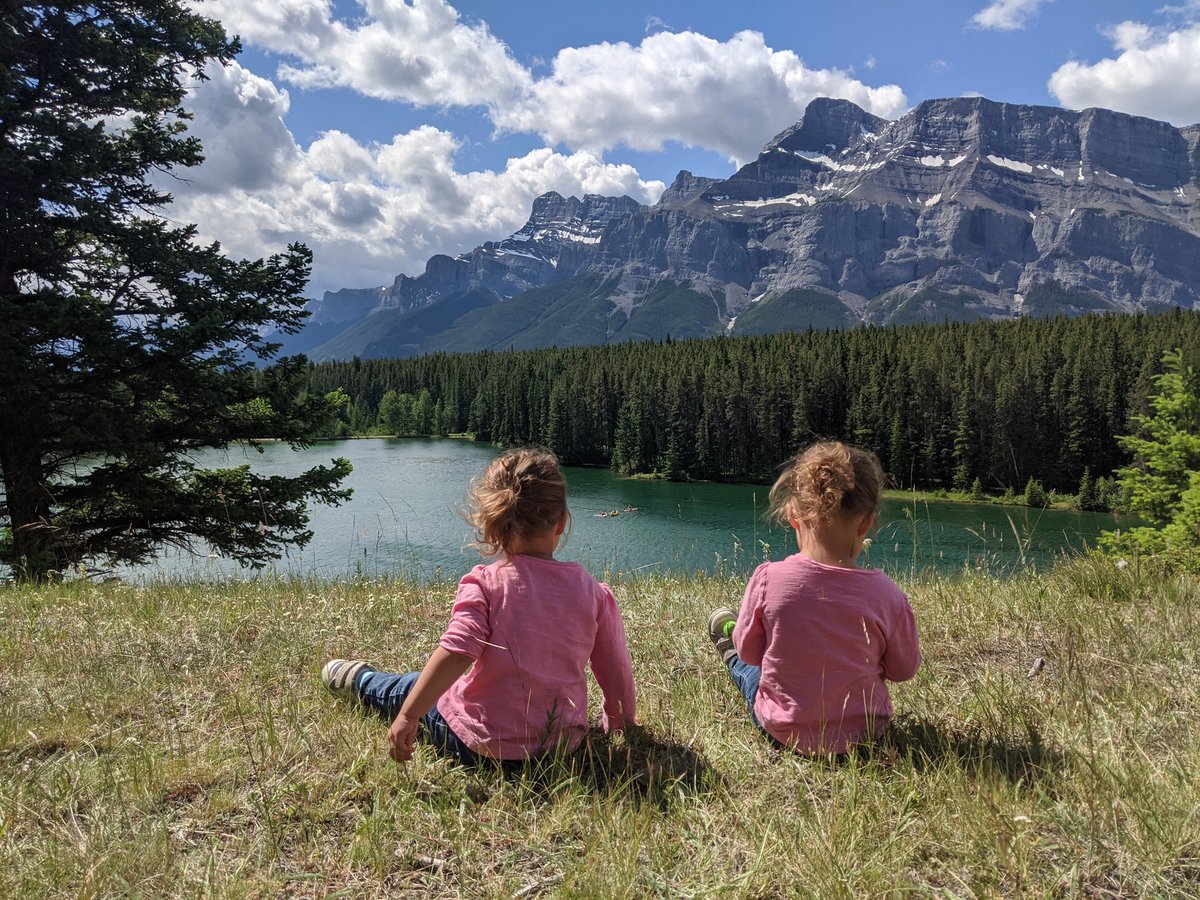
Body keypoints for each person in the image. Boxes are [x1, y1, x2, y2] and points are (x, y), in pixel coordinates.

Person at [322, 448, 637, 766]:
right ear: (561, 523)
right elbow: (616, 670)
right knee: (430, 686)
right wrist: (618, 721)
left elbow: (457, 652)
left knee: (411, 685)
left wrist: (409, 714)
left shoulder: (486, 584)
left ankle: (360, 681)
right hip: (560, 747)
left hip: (479, 747)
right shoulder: (592, 592)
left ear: (493, 527)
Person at [707, 441, 920, 755]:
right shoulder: (887, 595)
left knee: (750, 670)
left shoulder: (768, 579)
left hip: (785, 731)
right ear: (867, 522)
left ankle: (725, 643)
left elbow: (752, 653)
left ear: (793, 515)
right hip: (866, 736)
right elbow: (904, 669)